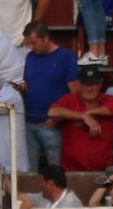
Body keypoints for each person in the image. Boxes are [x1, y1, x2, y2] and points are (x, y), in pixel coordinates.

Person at [21, 22, 79, 173]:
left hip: (53, 123)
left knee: (55, 168)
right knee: (29, 171)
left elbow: (74, 93)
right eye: (29, 44)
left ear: (46, 38)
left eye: (34, 43)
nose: (31, 47)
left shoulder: (66, 57)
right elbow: (28, 83)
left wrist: (59, 119)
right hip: (29, 121)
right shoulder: (30, 57)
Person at [50, 66, 113, 171]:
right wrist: (82, 116)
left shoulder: (107, 99)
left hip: (102, 171)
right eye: (86, 84)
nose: (90, 88)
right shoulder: (70, 99)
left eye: (93, 84)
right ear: (79, 84)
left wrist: (91, 113)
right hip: (71, 171)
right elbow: (52, 111)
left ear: (100, 84)